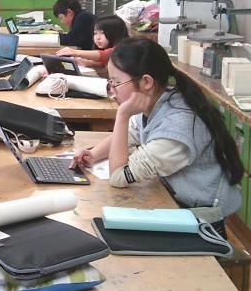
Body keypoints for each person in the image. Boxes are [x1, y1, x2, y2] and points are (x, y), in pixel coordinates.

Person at [70, 38, 243, 237]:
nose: (112, 89)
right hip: (174, 204)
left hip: (201, 223)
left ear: (146, 82)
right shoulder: (160, 100)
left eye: (117, 82)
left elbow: (118, 177)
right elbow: (130, 134)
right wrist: (94, 154)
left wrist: (122, 115)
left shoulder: (177, 128)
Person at [56, 15, 129, 68]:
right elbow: (103, 62)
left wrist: (75, 52)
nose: (97, 37)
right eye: (95, 33)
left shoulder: (123, 49)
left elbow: (106, 55)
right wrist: (86, 62)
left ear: (115, 33)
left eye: (102, 33)